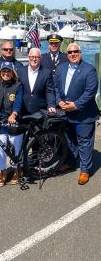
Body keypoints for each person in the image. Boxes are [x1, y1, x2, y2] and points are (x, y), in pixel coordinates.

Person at [54, 43, 98, 185]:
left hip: (83, 114)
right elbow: (55, 87)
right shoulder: (61, 69)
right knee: (70, 140)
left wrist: (76, 105)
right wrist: (59, 101)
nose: (73, 54)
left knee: (84, 142)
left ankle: (85, 170)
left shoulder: (89, 70)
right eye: (70, 52)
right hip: (66, 112)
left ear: (80, 52)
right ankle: (71, 162)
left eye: (76, 52)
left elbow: (90, 91)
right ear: (67, 54)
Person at [16, 48, 56, 115]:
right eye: (32, 57)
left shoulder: (46, 73)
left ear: (40, 58)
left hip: (40, 111)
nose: (34, 59)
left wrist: (51, 105)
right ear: (28, 58)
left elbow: (50, 91)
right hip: (22, 110)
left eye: (36, 57)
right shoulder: (20, 71)